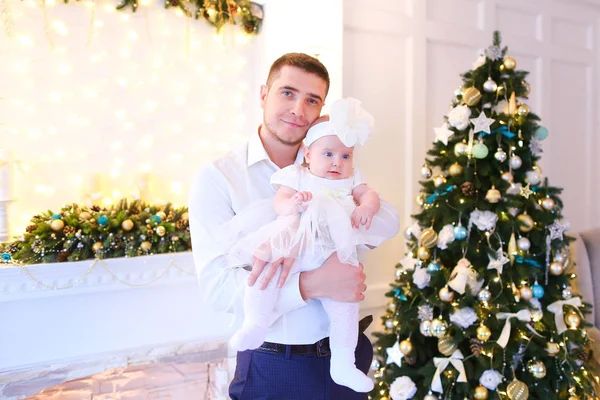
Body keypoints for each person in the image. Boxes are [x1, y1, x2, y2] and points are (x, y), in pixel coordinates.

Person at [189, 53, 400, 400]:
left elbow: (385, 223)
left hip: (346, 355)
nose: (298, 110)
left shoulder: (334, 162)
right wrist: (311, 284)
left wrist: (352, 219)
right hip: (275, 364)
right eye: (287, 93)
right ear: (263, 94)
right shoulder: (218, 178)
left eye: (312, 100)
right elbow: (217, 288)